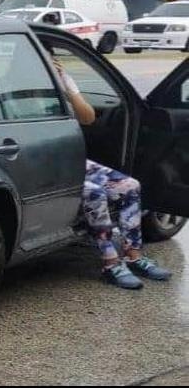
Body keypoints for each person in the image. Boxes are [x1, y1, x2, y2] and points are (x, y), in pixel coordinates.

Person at [53, 55, 172, 290]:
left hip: (71, 158)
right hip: (43, 161)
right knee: (94, 193)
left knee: (130, 185)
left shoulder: (55, 83)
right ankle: (110, 262)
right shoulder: (19, 85)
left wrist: (66, 84)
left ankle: (134, 256)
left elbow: (87, 117)